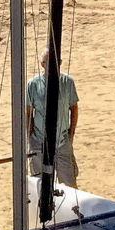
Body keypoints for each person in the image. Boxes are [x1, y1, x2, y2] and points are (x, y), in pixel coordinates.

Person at [25, 47, 80, 187]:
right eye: (51, 62)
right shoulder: (33, 84)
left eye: (58, 61)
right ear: (42, 64)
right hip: (39, 141)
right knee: (39, 184)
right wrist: (30, 137)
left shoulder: (67, 82)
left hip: (62, 142)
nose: (56, 65)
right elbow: (28, 112)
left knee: (69, 183)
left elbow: (73, 108)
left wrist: (70, 133)